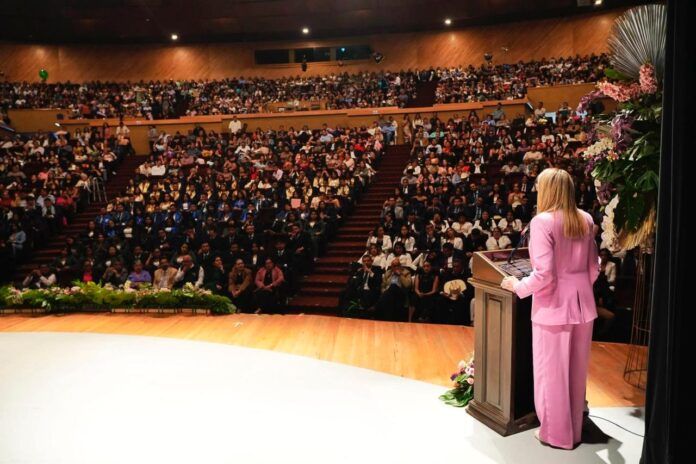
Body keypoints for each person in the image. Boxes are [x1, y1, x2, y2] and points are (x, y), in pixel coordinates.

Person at [501, 168, 599, 450]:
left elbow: (544, 274)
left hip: (553, 307)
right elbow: (594, 268)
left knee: (552, 373)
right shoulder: (585, 218)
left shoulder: (542, 221)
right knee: (576, 371)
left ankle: (557, 434)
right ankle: (574, 430)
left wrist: (517, 285)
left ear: (547, 190)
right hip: (583, 305)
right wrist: (578, 288)